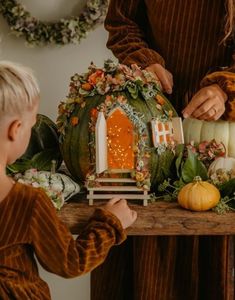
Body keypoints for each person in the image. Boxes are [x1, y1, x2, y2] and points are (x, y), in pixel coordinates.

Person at [89, 1, 235, 300]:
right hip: (147, 119)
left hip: (222, 134)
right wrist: (146, 63)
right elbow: (122, 22)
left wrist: (225, 88)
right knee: (145, 259)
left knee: (212, 252)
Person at [0, 60, 137, 300]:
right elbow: (69, 262)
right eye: (31, 126)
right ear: (16, 129)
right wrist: (109, 223)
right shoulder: (26, 202)